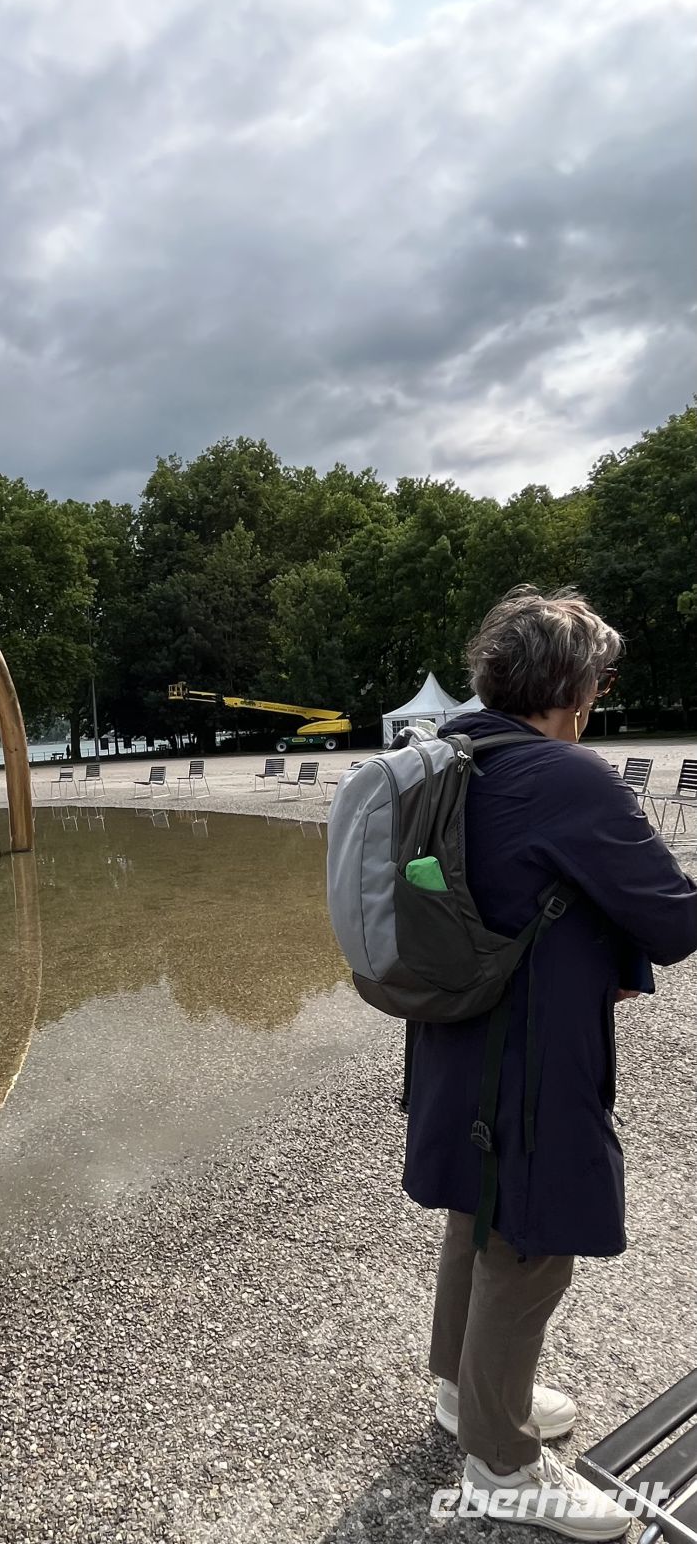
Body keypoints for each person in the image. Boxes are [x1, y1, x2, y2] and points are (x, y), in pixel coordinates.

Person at [403, 587, 697, 1538]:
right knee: (529, 1245)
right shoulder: (566, 777)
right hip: (528, 1058)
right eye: (601, 683)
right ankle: (501, 1459)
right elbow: (672, 918)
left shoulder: (456, 754)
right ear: (572, 685)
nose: (600, 701)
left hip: (455, 1037)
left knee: (475, 1214)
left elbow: (529, 890)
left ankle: (463, 1393)